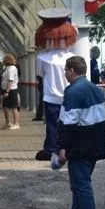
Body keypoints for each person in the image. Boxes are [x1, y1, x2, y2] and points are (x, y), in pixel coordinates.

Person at [56, 56, 105, 209]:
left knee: (81, 183)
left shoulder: (73, 91)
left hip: (80, 145)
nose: (65, 73)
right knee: (80, 182)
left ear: (72, 70)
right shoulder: (94, 88)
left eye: (66, 70)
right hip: (96, 144)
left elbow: (69, 122)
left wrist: (62, 147)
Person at [34, 9, 77, 160]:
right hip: (70, 96)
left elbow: (40, 76)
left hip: (51, 96)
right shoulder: (73, 57)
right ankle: (69, 149)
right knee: (70, 124)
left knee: (52, 125)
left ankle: (51, 150)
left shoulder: (42, 58)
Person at [0, 53, 20, 129]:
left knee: (13, 107)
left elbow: (10, 80)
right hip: (7, 89)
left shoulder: (11, 68)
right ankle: (8, 123)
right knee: (5, 107)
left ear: (7, 60)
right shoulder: (8, 68)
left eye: (4, 60)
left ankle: (16, 124)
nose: (3, 61)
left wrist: (7, 91)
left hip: (11, 90)